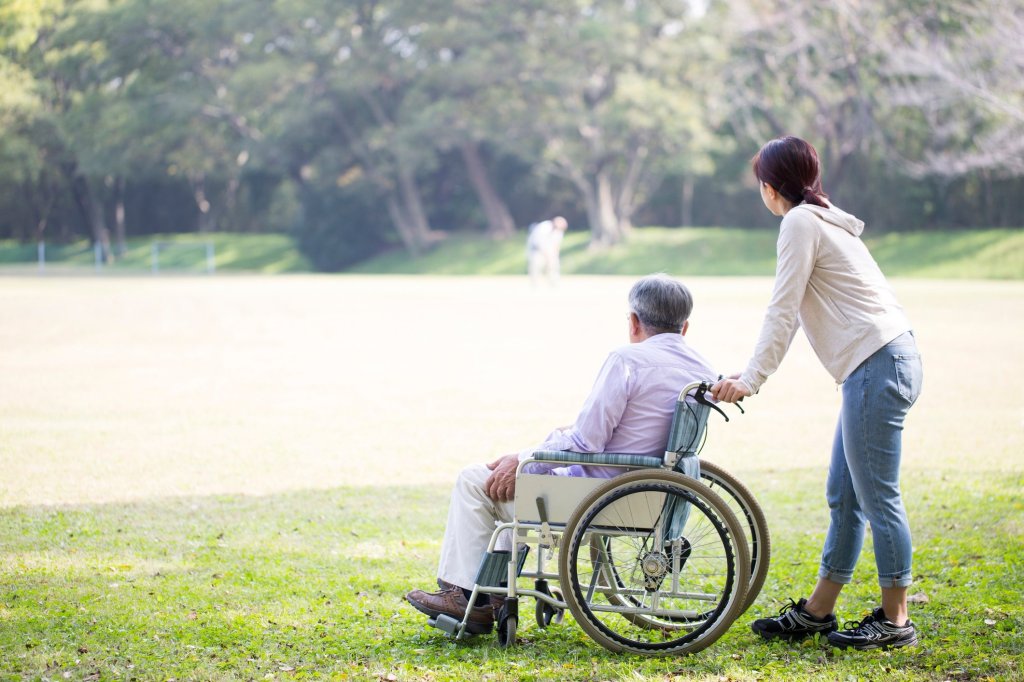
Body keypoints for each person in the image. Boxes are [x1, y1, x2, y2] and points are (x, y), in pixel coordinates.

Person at [406, 274, 716, 633]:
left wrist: (525, 457)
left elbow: (586, 443)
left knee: (476, 480)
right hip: (651, 493)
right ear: (685, 326)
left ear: (633, 321)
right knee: (515, 487)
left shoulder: (628, 360)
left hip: (595, 496)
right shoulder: (703, 369)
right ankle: (486, 597)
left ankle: (464, 596)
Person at [710, 136, 924, 651]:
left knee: (877, 499)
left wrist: (751, 377)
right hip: (881, 363)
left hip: (877, 364)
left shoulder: (801, 222)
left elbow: (781, 309)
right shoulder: (825, 218)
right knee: (844, 495)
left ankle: (896, 622)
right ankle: (818, 611)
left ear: (769, 185)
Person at [525, 216, 569, 286]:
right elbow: (538, 241)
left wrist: (554, 254)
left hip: (549, 251)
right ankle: (534, 284)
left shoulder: (559, 232)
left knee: (553, 266)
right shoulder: (544, 226)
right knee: (536, 267)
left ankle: (553, 283)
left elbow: (556, 244)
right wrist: (546, 253)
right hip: (537, 250)